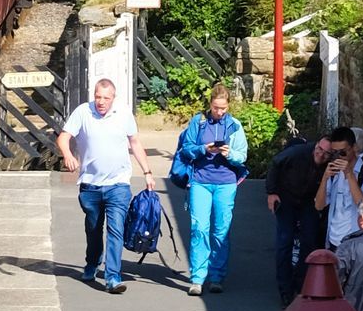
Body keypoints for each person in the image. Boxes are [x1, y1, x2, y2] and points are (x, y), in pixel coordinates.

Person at [55, 75, 156, 295]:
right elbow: (63, 137)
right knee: (93, 229)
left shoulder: (123, 113)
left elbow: (135, 143)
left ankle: (112, 277)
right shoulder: (83, 112)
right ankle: (92, 263)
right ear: (94, 96)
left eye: (106, 98)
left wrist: (147, 172)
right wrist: (67, 154)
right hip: (90, 185)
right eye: (98, 97)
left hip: (118, 184)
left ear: (113, 98)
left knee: (115, 229)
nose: (101, 102)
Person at [172, 83, 247, 294]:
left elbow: (242, 156)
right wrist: (203, 149)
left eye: (223, 108)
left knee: (220, 231)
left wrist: (228, 153)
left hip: (226, 183)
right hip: (200, 182)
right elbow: (186, 149)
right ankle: (197, 277)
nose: (219, 112)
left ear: (229, 106)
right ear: (210, 104)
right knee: (199, 228)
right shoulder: (199, 122)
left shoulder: (235, 126)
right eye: (216, 108)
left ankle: (216, 276)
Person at [266, 128, 333, 304]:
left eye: (326, 153)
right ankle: (285, 290)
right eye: (319, 149)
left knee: (309, 240)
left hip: (308, 201)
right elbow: (275, 164)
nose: (321, 155)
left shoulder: (330, 163)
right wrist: (271, 192)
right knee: (285, 241)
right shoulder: (297, 153)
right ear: (316, 145)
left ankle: (302, 283)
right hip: (287, 196)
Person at [316, 126, 363, 251]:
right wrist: (324, 178)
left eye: (343, 152)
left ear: (354, 147)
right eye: (334, 153)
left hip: (356, 241)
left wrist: (349, 174)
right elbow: (319, 206)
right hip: (333, 239)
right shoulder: (334, 172)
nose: (339, 156)